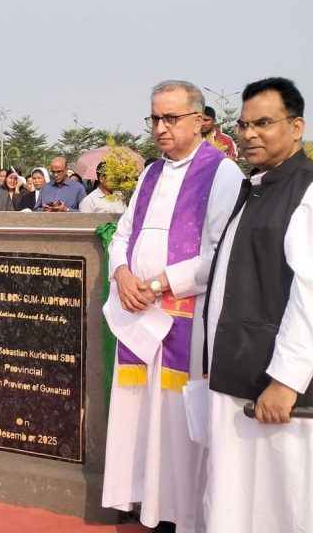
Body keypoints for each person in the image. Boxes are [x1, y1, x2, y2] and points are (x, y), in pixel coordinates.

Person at [203, 77, 313, 533]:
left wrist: (285, 381)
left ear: (296, 127)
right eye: (243, 125)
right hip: (242, 367)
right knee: (239, 494)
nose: (249, 134)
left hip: (284, 385)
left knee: (291, 498)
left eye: (263, 123)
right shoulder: (257, 187)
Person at [102, 80, 244, 532]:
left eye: (171, 118)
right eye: (155, 118)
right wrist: (122, 273)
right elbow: (123, 234)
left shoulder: (222, 173)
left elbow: (221, 252)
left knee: (172, 415)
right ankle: (138, 495)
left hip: (184, 316)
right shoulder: (150, 174)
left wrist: (160, 283)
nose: (160, 128)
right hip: (138, 309)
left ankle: (174, 510)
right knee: (138, 408)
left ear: (200, 120)